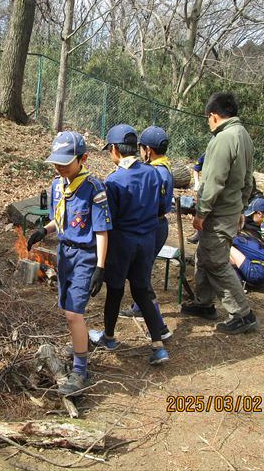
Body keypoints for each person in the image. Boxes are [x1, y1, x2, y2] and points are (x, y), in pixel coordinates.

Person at [27, 131, 111, 395]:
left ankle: (80, 370)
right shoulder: (57, 185)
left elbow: (101, 231)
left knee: (75, 312)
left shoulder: (94, 189)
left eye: (66, 161)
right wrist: (44, 231)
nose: (60, 166)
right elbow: (60, 220)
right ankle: (79, 344)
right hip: (65, 253)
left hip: (86, 255)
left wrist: (100, 266)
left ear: (83, 158)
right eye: (56, 162)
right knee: (67, 309)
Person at [88, 124, 170, 364]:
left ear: (114, 149)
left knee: (115, 290)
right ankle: (158, 346)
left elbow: (108, 219)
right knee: (142, 290)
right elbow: (162, 207)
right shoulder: (154, 173)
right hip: (146, 240)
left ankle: (110, 338)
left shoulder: (113, 181)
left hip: (123, 242)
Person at [180, 92, 258, 335]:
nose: (207, 122)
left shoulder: (223, 139)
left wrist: (201, 213)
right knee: (205, 256)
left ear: (214, 116)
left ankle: (243, 313)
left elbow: (213, 181)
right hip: (231, 209)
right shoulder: (243, 135)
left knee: (216, 261)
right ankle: (204, 303)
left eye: (207, 118)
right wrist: (241, 207)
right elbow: (248, 180)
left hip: (219, 212)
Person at [118, 126, 174, 342]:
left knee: (139, 276)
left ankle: (159, 326)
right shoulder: (164, 167)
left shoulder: (156, 172)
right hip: (157, 224)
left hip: (152, 226)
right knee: (142, 270)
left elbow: (153, 203)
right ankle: (138, 307)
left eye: (141, 149)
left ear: (147, 150)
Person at [186, 153, 205, 244]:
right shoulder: (206, 154)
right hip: (206, 188)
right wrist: (197, 183)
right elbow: (196, 169)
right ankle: (198, 234)